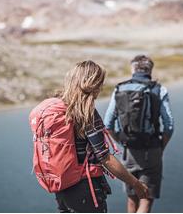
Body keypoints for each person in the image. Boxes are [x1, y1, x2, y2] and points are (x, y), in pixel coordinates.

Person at [30, 60, 149, 213]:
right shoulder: (85, 113)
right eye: (100, 83)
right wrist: (135, 183)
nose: (101, 88)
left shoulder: (60, 108)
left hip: (63, 189)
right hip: (85, 189)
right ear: (92, 84)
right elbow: (104, 157)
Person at [104, 55, 174, 213]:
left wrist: (122, 143)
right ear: (150, 70)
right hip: (152, 151)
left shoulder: (119, 88)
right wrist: (160, 147)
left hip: (128, 151)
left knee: (131, 199)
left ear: (133, 69)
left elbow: (108, 124)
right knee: (146, 200)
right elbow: (169, 125)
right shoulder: (159, 89)